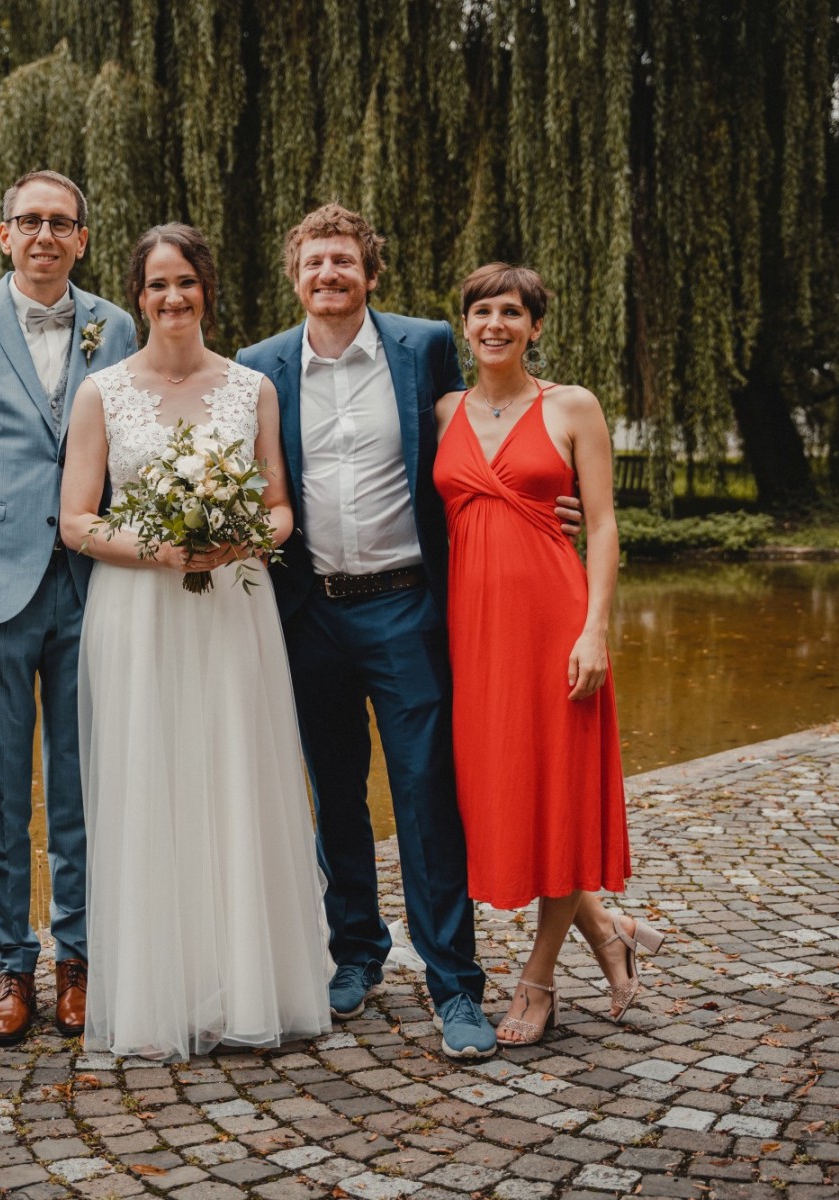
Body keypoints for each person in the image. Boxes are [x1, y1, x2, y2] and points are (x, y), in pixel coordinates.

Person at [235, 205, 582, 1060]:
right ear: (295, 275)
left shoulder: (422, 346)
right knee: (335, 793)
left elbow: (484, 431)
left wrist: (543, 504)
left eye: (343, 261)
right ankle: (356, 951)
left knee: (428, 794)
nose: (329, 275)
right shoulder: (260, 366)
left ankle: (455, 984)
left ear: (370, 273)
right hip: (309, 609)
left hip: (406, 606)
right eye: (315, 262)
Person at [59, 223, 330, 1060]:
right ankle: (159, 993)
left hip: (230, 611)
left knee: (232, 776)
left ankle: (243, 985)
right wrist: (162, 550)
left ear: (207, 289)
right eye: (156, 284)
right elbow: (75, 521)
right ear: (138, 297)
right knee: (152, 781)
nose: (172, 297)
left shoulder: (252, 388)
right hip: (138, 612)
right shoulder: (102, 392)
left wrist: (241, 537)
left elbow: (280, 508)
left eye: (185, 282)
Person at [0, 171, 139, 1043]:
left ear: (83, 238)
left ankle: (77, 961)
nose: (45, 235)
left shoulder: (116, 326)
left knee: (83, 786)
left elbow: (132, 455)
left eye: (61, 223)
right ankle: (11, 964)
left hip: (96, 586)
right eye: (30, 221)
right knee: (2, 787)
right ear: (4, 234)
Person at [433, 262, 659, 1046]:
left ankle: (537, 981)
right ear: (464, 324)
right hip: (473, 631)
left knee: (559, 793)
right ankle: (609, 932)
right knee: (503, 795)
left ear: (534, 326)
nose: (494, 324)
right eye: (481, 311)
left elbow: (601, 524)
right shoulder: (443, 411)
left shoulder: (572, 406)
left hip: (555, 623)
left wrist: (595, 629)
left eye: (511, 312)